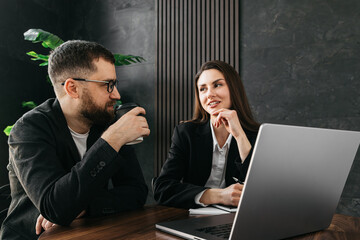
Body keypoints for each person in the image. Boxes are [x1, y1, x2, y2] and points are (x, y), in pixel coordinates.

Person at [0, 40, 150, 239]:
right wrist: (112, 140)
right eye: (108, 85)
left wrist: (85, 206)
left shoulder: (106, 123)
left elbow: (137, 193)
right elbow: (55, 207)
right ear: (72, 88)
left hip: (89, 234)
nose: (116, 94)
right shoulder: (28, 129)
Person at [153, 60, 260, 209]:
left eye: (217, 85)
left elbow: (262, 190)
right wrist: (218, 195)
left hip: (242, 219)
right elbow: (162, 189)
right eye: (202, 89)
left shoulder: (258, 134)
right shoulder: (186, 133)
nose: (209, 94)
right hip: (192, 219)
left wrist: (240, 136)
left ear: (234, 89)